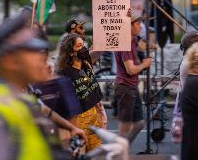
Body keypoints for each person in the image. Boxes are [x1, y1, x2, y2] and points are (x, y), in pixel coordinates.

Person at [0, 10, 85, 160]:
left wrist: (71, 128)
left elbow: (43, 109)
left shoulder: (19, 97)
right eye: (32, 51)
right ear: (10, 61)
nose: (42, 57)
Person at [57, 33, 106, 152]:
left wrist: (101, 111)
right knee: (80, 155)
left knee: (95, 154)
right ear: (70, 52)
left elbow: (92, 90)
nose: (83, 49)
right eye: (79, 46)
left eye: (83, 45)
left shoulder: (86, 64)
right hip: (77, 120)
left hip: (94, 116)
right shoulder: (64, 73)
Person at [114, 15, 152, 143]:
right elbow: (131, 70)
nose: (140, 26)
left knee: (139, 123)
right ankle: (118, 155)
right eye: (137, 23)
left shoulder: (133, 40)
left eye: (140, 23)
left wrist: (150, 46)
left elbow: (144, 45)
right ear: (128, 26)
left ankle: (123, 148)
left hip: (131, 86)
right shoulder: (125, 44)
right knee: (125, 127)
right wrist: (144, 65)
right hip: (125, 86)